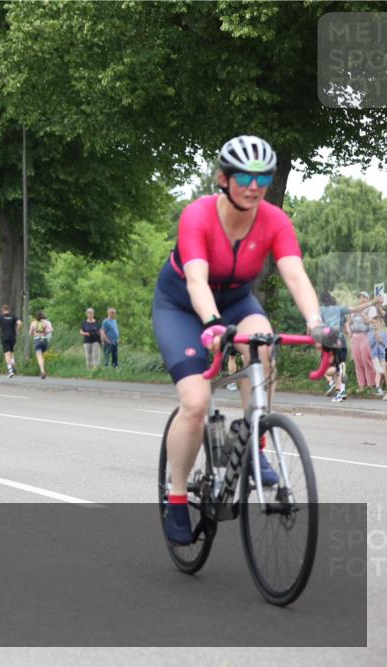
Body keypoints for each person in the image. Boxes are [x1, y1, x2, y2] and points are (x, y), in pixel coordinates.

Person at [153, 135, 333, 546]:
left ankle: (256, 443)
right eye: (245, 176)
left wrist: (317, 323)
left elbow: (294, 275)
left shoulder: (273, 220)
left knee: (263, 344)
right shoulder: (197, 215)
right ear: (223, 178)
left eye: (264, 176)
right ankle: (177, 496)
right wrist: (212, 323)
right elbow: (197, 279)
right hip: (182, 306)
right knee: (196, 404)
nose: (255, 185)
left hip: (236, 302)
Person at [319, 291, 351, 402]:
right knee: (341, 365)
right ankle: (342, 390)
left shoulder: (323, 312)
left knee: (329, 367)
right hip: (342, 341)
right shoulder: (341, 313)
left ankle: (334, 385)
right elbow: (348, 331)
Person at [349, 291, 377, 394]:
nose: (360, 299)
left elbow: (369, 322)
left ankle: (372, 385)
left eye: (362, 297)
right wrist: (350, 333)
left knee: (366, 360)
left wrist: (362, 312)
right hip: (355, 336)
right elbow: (349, 322)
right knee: (358, 362)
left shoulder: (371, 308)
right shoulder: (354, 310)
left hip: (366, 335)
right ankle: (361, 385)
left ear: (367, 299)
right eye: (359, 297)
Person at [0, 304, 22, 378]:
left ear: (2, 310)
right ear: (8, 309)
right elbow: (20, 323)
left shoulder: (0, 317)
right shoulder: (13, 316)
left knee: (7, 353)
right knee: (11, 352)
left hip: (4, 336)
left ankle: (10, 370)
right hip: (13, 336)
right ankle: (13, 365)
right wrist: (17, 329)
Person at [29, 310, 53, 379]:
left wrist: (35, 333)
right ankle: (43, 370)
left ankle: (42, 371)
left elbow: (30, 333)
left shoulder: (33, 323)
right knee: (42, 356)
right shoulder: (47, 322)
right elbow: (51, 330)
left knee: (39, 357)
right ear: (43, 316)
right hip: (44, 340)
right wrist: (45, 332)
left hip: (37, 340)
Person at [368, 315, 386, 398]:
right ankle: (378, 387)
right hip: (374, 355)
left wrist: (380, 340)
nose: (375, 325)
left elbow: (385, 345)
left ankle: (379, 387)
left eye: (377, 323)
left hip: (382, 355)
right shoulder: (370, 333)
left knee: (383, 372)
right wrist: (375, 337)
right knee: (379, 371)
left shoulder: (384, 334)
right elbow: (370, 344)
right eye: (373, 323)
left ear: (381, 324)